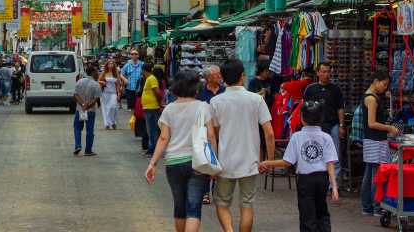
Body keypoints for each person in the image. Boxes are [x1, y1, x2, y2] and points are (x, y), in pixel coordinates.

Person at [145, 70, 217, 232]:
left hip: (174, 162)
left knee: (179, 206)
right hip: (198, 162)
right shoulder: (203, 107)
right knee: (193, 207)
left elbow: (163, 138)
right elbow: (211, 136)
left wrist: (152, 164)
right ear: (196, 88)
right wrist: (214, 163)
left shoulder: (169, 109)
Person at [210, 58, 274, 232]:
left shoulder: (216, 102)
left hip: (224, 162)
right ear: (242, 76)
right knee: (247, 204)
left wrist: (212, 162)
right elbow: (269, 133)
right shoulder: (256, 99)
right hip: (250, 161)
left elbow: (213, 135)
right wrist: (269, 160)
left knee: (222, 203)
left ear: (223, 78)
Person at [259, 100, 339, 232]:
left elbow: (287, 162)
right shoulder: (326, 137)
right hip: (322, 179)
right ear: (321, 118)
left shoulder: (297, 137)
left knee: (307, 214)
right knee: (322, 212)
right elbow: (330, 163)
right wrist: (334, 186)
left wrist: (268, 162)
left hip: (305, 180)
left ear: (301, 118)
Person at [361, 68, 398, 217]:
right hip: (375, 140)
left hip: (372, 140)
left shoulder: (371, 96)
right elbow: (372, 123)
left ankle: (367, 207)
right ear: (376, 81)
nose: (385, 87)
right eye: (384, 84)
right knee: (376, 176)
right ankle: (376, 207)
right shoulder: (371, 99)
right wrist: (390, 128)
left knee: (369, 174)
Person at [302, 61, 345, 179]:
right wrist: (305, 125)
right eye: (323, 72)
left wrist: (341, 126)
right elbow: (304, 108)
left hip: (333, 125)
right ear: (318, 73)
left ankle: (333, 184)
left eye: (328, 72)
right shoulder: (310, 89)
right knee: (316, 153)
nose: (326, 74)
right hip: (315, 127)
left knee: (334, 155)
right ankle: (318, 181)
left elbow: (340, 108)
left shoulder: (336, 89)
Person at [73, 63, 103, 156]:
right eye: (96, 72)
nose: (98, 73)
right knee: (89, 130)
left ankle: (78, 145)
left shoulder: (79, 82)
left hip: (80, 110)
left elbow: (75, 95)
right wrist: (87, 106)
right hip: (90, 111)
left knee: (77, 128)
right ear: (93, 73)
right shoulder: (96, 84)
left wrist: (82, 105)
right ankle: (88, 150)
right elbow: (95, 99)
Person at [141, 62, 163, 155]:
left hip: (152, 107)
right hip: (149, 107)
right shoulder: (150, 78)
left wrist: (159, 103)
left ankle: (153, 149)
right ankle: (152, 148)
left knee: (152, 129)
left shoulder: (151, 79)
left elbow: (157, 92)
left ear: (144, 70)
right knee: (151, 129)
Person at [98, 59, 124, 130]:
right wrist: (102, 82)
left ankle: (113, 121)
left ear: (114, 65)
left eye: (112, 63)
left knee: (113, 107)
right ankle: (107, 123)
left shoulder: (116, 73)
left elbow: (117, 84)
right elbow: (98, 80)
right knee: (106, 108)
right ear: (107, 65)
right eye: (109, 64)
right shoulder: (104, 73)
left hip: (113, 93)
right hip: (105, 93)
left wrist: (119, 93)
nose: (111, 65)